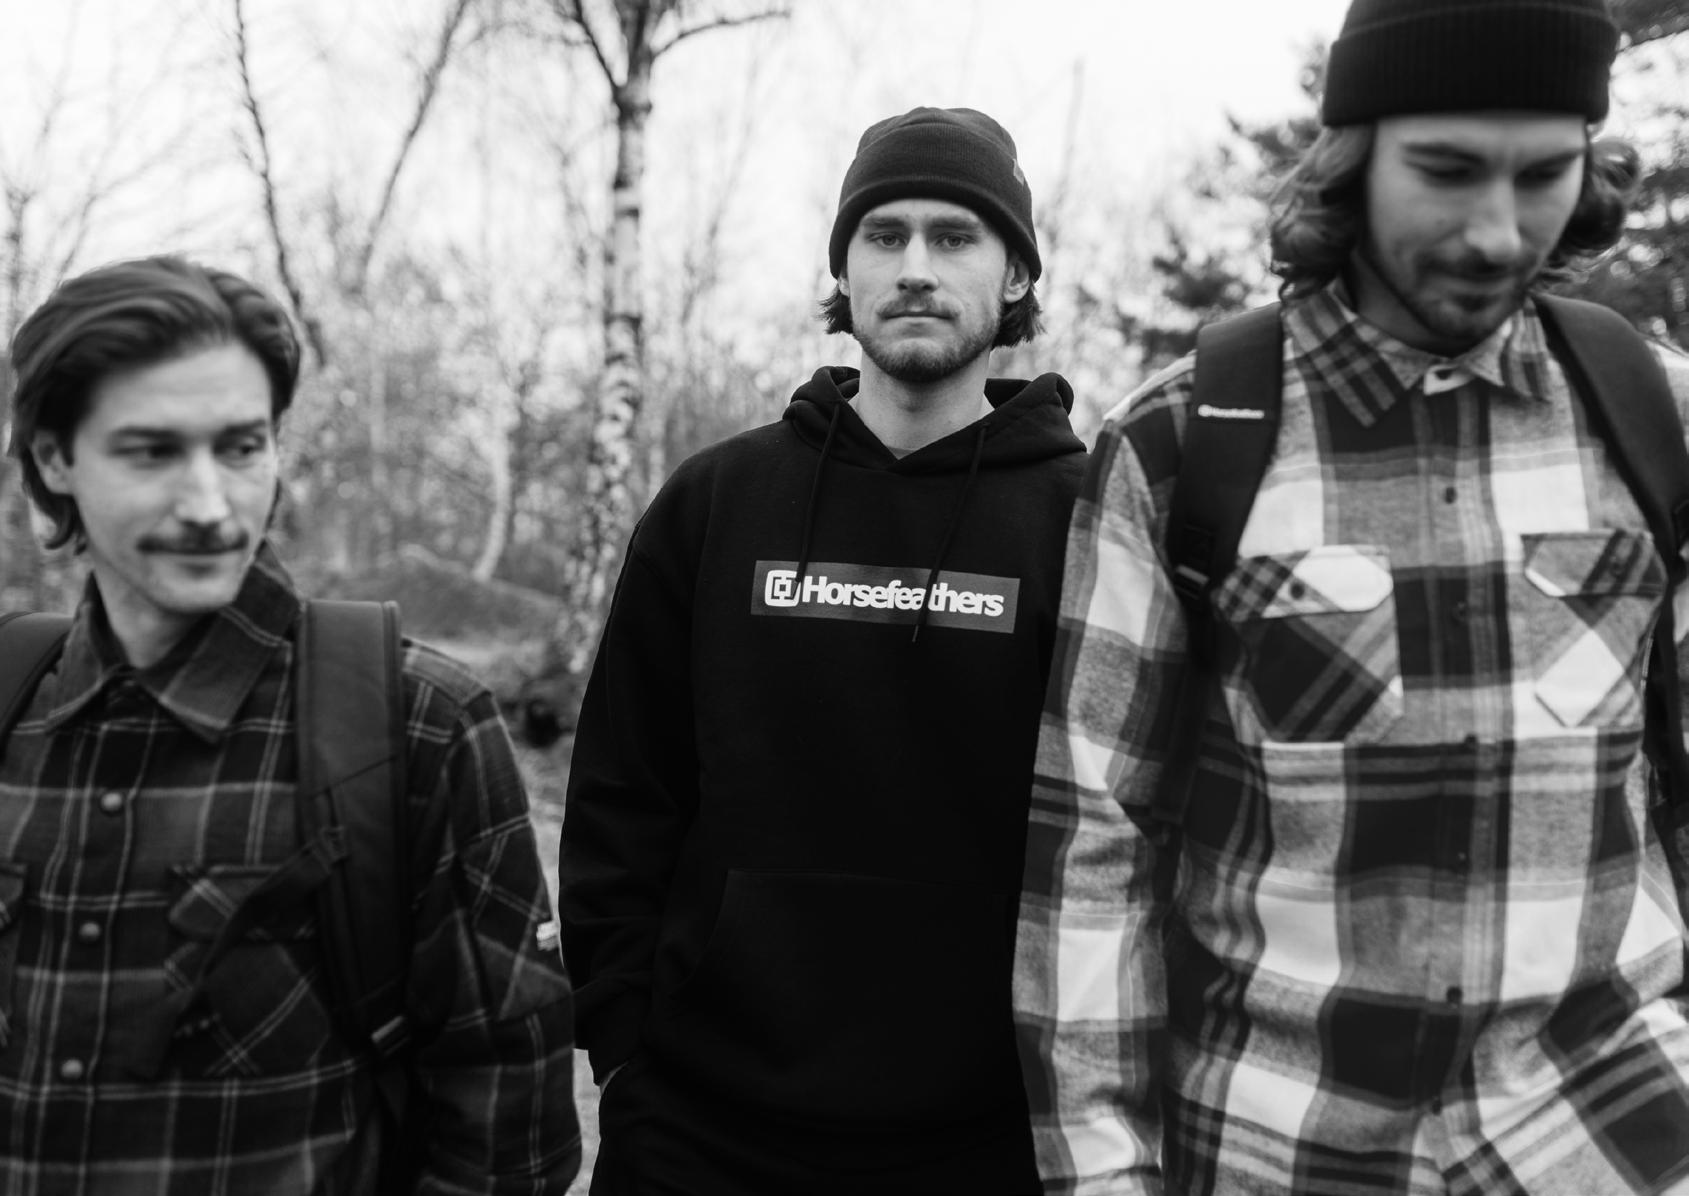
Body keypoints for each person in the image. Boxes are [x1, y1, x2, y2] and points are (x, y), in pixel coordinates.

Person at [1015, 1, 1689, 1192]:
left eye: (1544, 174)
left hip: (1610, 1137)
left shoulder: (1660, 420)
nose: (1497, 230)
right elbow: (1094, 851)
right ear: (1351, 157)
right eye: (1447, 170)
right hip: (1281, 1145)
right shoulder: (1184, 442)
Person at [560, 106, 1086, 1194]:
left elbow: (1121, 828)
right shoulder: (716, 500)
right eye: (883, 235)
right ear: (843, 270)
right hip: (702, 1126)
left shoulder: (1085, 521)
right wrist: (623, 1049)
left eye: (954, 236)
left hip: (984, 1137)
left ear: (1017, 275)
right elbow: (623, 790)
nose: (914, 267)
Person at [0, 255, 581, 1193]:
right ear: (53, 460)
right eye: (151, 451)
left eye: (240, 448)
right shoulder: (11, 707)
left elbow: (506, 1147)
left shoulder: (416, 725)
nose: (208, 506)